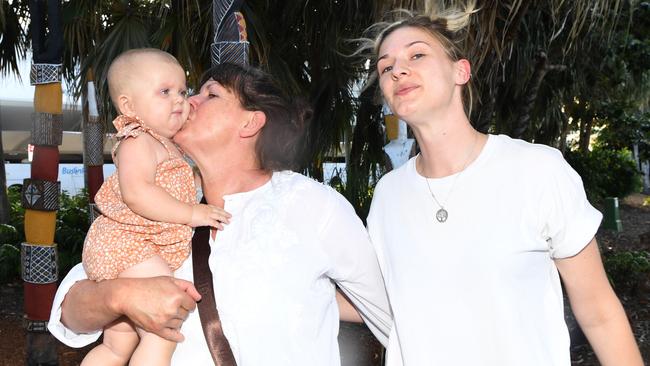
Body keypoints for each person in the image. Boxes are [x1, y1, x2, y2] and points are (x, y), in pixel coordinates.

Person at [49, 61, 392, 365]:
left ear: (251, 122)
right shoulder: (157, 195)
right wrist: (122, 295)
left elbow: (388, 312)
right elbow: (70, 313)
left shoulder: (311, 205)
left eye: (209, 95)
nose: (187, 102)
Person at [359, 4, 644, 366]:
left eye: (417, 54)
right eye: (386, 67)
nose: (398, 70)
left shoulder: (536, 170)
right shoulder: (388, 196)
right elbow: (382, 296)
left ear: (460, 71)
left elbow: (599, 311)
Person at [79, 48, 232, 366]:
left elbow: (182, 187)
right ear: (129, 106)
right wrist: (193, 214)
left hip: (137, 250)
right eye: (165, 92)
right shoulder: (137, 139)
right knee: (164, 327)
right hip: (128, 246)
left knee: (116, 347)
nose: (179, 100)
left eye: (181, 91)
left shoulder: (168, 146)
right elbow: (136, 193)